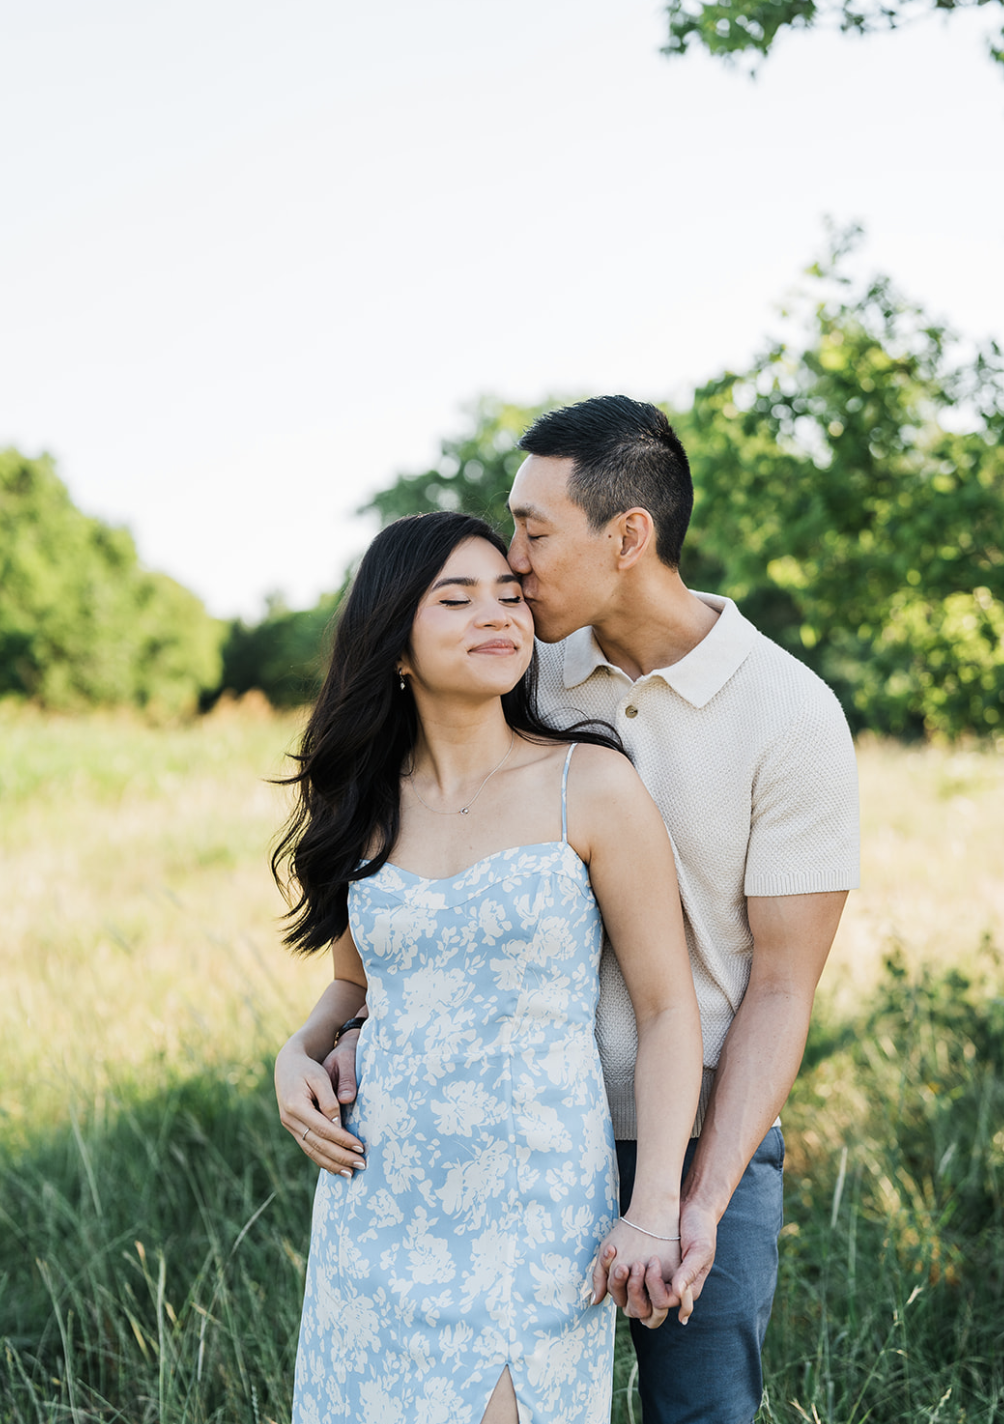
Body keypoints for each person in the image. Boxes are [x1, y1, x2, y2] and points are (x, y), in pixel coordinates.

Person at [329, 399, 860, 1424]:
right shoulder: (522, 661)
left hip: (702, 1123)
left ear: (627, 536)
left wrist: (692, 1201)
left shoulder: (787, 714)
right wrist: (330, 1030)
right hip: (518, 1134)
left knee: (698, 1408)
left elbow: (783, 983)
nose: (512, 567)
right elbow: (420, 881)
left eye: (532, 532)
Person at [272, 510, 704, 1424]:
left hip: (534, 1217)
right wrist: (295, 1056)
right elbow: (356, 987)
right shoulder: (362, 805)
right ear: (395, 643)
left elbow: (669, 1009)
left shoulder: (589, 785)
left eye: (509, 596)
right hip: (374, 1204)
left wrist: (654, 1205)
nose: (498, 616)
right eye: (457, 599)